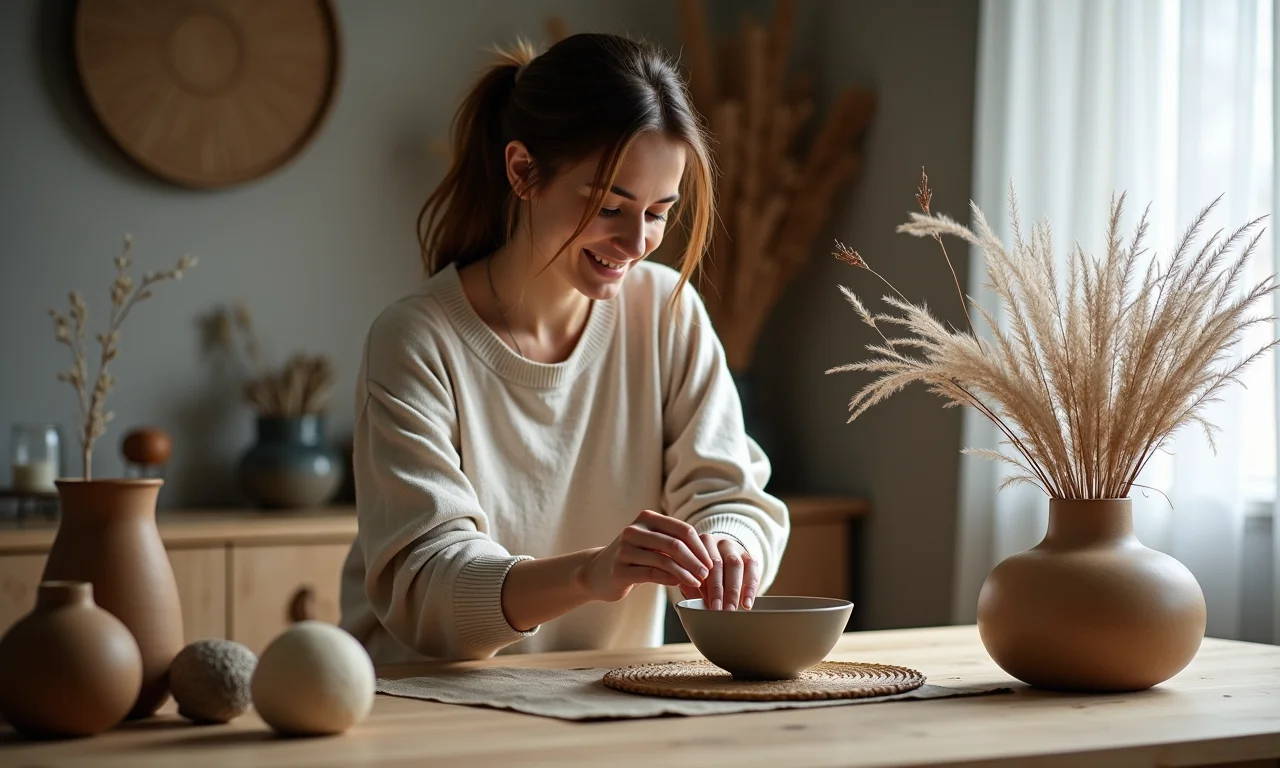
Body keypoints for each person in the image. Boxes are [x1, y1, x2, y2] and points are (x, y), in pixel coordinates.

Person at [338, 32, 790, 663]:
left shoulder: (666, 313)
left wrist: (728, 546)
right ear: (523, 171)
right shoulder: (417, 339)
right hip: (428, 710)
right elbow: (427, 589)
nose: (637, 242)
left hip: (601, 702)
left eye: (660, 212)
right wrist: (589, 574)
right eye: (611, 205)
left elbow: (730, 494)